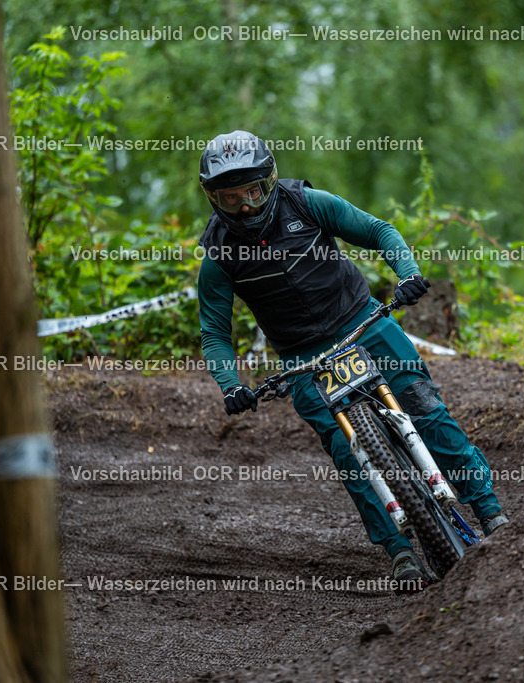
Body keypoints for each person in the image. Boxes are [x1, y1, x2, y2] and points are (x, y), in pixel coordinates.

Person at [196, 130, 507, 590]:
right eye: (230, 197)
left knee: (425, 409)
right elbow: (214, 332)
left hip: (363, 320)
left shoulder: (307, 203)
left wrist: (408, 274)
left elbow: (380, 230)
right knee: (348, 453)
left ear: (270, 182)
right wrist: (230, 384)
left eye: (254, 191)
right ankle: (400, 551)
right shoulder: (219, 255)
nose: (244, 206)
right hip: (302, 356)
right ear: (213, 198)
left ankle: (489, 511)